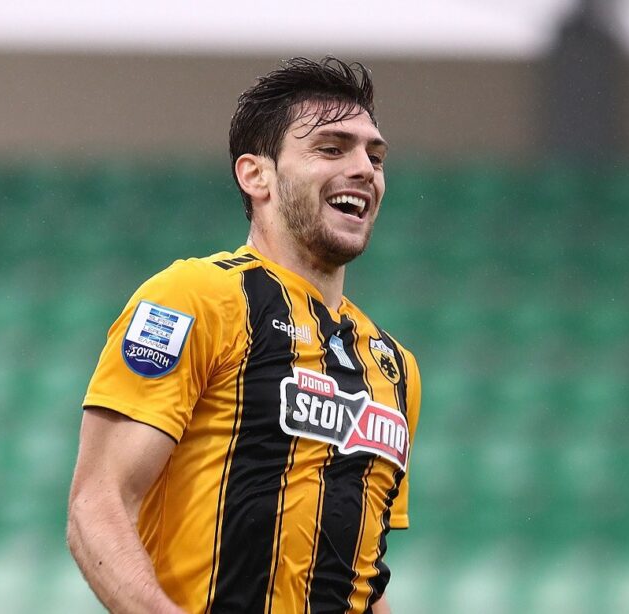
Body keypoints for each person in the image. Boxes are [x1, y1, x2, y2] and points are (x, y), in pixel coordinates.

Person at [67, 57, 420, 614]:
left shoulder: (394, 367)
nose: (364, 169)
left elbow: (362, 575)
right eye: (332, 149)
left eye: (374, 157)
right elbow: (97, 504)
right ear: (256, 175)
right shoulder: (194, 299)